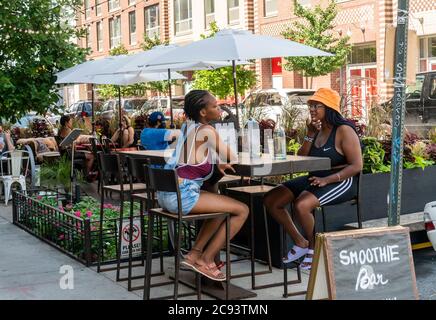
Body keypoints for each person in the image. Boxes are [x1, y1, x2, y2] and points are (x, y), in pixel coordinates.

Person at [263, 88, 363, 271]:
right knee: (272, 199)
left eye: (318, 105)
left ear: (330, 108)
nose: (312, 109)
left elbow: (357, 166)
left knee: (302, 204)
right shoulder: (316, 129)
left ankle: (314, 247)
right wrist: (309, 134)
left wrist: (329, 180)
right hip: (316, 177)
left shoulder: (344, 130)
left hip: (342, 181)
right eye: (311, 105)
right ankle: (300, 242)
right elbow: (302, 158)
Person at [157, 90, 249, 281]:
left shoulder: (186, 127)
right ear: (203, 112)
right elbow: (233, 157)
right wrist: (221, 160)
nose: (220, 108)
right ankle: (206, 260)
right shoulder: (208, 130)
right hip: (183, 196)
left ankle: (193, 255)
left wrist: (215, 162)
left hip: (166, 194)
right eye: (215, 106)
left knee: (221, 207)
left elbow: (194, 155)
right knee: (242, 210)